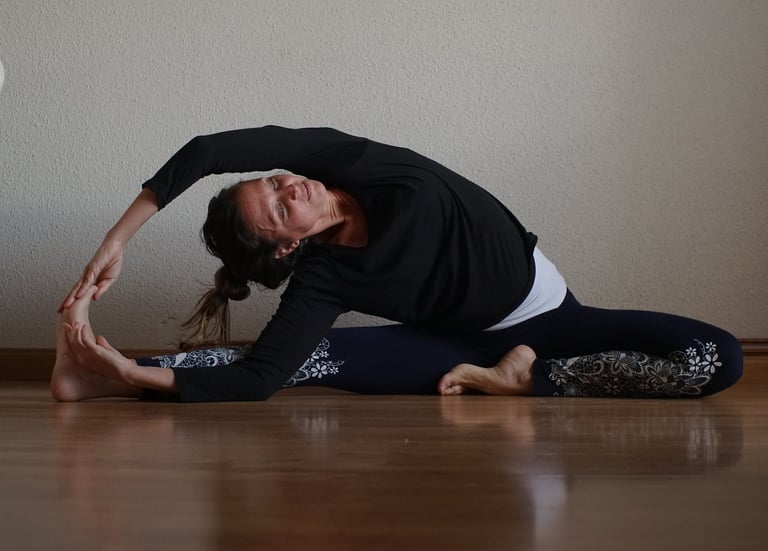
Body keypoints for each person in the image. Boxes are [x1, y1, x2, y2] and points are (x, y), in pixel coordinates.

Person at [53, 126, 743, 402]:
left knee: (718, 357)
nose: (291, 188)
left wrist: (116, 241)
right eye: (279, 209)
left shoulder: (349, 162)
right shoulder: (323, 277)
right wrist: (130, 371)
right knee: (304, 360)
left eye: (272, 181)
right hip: (453, 346)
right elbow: (261, 377)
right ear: (286, 246)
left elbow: (207, 150)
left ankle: (528, 381)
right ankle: (98, 373)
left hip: (549, 321)